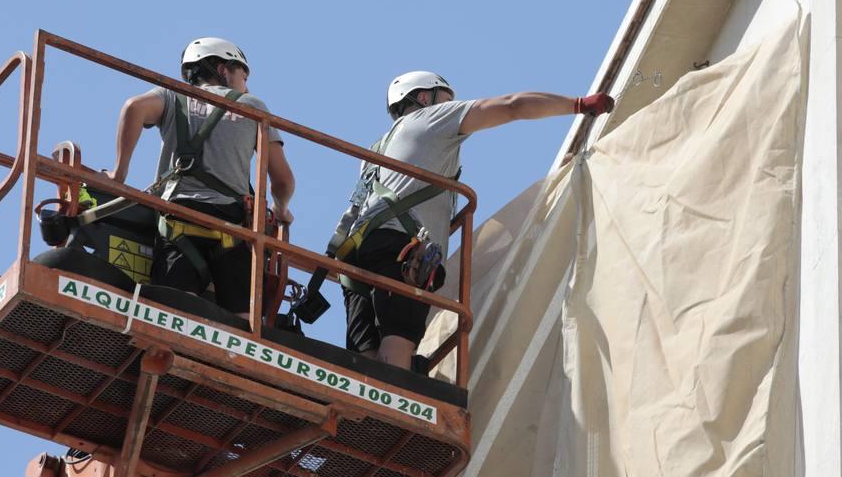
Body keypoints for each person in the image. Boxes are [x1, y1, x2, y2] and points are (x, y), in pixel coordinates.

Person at [337, 71, 613, 369]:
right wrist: (579, 105)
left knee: (364, 351)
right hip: (402, 249)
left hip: (358, 255)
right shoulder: (433, 119)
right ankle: (388, 407)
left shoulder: (375, 152)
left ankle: (359, 408)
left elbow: (350, 215)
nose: (450, 103)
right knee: (400, 335)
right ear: (422, 97)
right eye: (444, 97)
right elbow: (512, 105)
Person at [105, 37, 295, 319]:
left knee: (177, 312)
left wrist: (118, 174)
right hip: (233, 226)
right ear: (223, 69)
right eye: (243, 74)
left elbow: (133, 107)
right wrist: (281, 209)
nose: (247, 84)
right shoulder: (252, 105)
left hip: (179, 217)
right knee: (243, 323)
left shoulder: (171, 96)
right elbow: (282, 179)